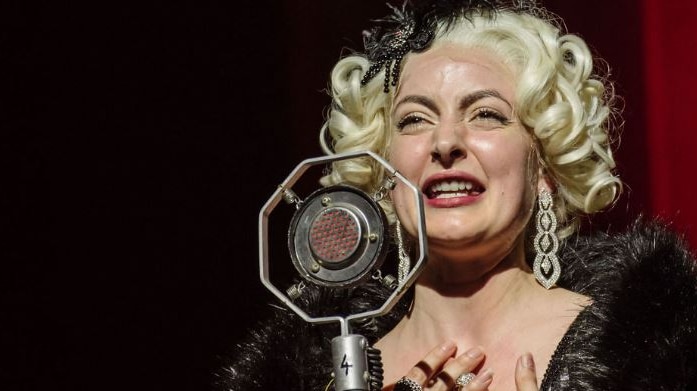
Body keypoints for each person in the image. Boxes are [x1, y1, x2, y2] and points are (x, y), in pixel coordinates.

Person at [218, 1, 697, 390]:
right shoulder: (312, 377)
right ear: (384, 173)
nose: (445, 143)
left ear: (544, 165)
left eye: (486, 114)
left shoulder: (659, 351)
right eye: (414, 120)